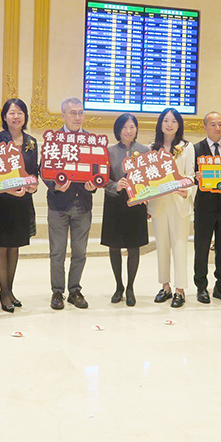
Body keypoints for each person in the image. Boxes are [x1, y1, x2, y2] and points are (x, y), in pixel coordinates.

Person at [0, 98, 39, 312]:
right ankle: (3, 292)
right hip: (0, 201)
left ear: (25, 116)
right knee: (1, 245)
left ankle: (10, 290)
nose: (16, 116)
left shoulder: (32, 142)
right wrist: (8, 188)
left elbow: (34, 172)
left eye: (20, 113)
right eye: (12, 113)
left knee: (15, 245)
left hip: (22, 201)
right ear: (5, 117)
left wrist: (33, 185)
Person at [45, 97, 97, 310]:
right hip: (58, 204)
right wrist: (55, 186)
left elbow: (99, 169)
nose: (77, 117)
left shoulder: (92, 141)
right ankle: (57, 291)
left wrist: (95, 183)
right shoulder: (53, 139)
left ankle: (74, 290)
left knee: (80, 251)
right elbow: (44, 169)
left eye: (81, 112)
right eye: (73, 113)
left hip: (83, 204)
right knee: (57, 251)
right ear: (63, 115)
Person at [148, 108, 196, 308]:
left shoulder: (187, 147)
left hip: (179, 203)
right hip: (160, 204)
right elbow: (147, 179)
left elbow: (191, 175)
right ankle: (165, 286)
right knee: (162, 247)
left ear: (179, 125)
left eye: (173, 121)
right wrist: (148, 206)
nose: (169, 124)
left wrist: (187, 191)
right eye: (165, 120)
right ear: (160, 124)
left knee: (179, 246)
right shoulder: (152, 148)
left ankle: (180, 290)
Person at [102, 113, 149, 307]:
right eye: (124, 128)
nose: (128, 131)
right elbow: (103, 180)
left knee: (133, 246)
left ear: (136, 129)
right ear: (118, 130)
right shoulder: (109, 151)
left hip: (136, 203)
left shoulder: (144, 151)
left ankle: (130, 288)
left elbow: (150, 179)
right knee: (114, 246)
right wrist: (116, 186)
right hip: (115, 202)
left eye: (132, 127)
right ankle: (118, 286)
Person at [193, 112, 221, 304]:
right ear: (205, 127)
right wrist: (196, 178)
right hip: (205, 207)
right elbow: (187, 177)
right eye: (213, 124)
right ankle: (201, 287)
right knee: (201, 248)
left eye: (220, 124)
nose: (218, 128)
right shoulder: (195, 150)